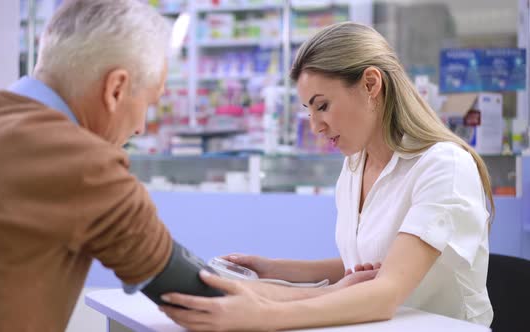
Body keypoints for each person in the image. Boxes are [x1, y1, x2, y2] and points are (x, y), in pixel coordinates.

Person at [160, 22, 494, 331]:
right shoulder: (354, 167)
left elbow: (385, 292)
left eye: (322, 106)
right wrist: (275, 270)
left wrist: (264, 314)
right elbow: (366, 264)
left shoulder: (443, 166)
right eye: (309, 111)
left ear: (370, 84)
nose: (316, 126)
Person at [0, 1, 175, 331]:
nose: (140, 127)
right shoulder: (87, 165)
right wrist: (274, 301)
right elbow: (194, 295)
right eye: (148, 103)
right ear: (116, 88)